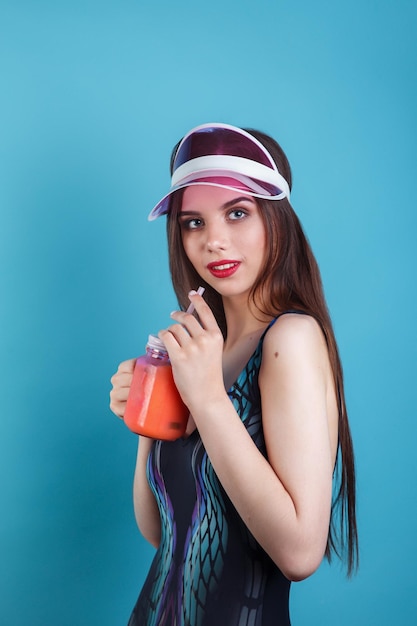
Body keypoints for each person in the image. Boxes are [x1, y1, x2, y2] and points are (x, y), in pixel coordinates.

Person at [109, 123, 358, 626]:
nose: (214, 242)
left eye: (237, 213)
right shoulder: (206, 352)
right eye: (193, 223)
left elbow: (299, 553)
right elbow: (165, 532)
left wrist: (207, 401)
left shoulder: (290, 338)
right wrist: (147, 419)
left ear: (277, 220)